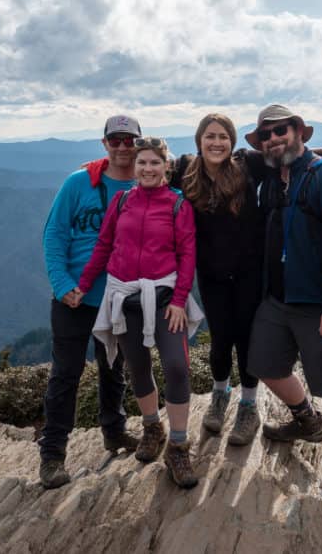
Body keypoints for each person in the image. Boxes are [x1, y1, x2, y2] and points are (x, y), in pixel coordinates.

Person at [172, 114, 322, 447]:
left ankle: (248, 404)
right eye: (210, 136)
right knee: (221, 338)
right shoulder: (184, 170)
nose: (217, 143)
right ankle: (220, 395)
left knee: (246, 339)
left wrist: (320, 151)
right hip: (211, 274)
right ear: (199, 140)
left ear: (232, 141)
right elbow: (146, 166)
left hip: (252, 272)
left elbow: (286, 156)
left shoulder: (248, 164)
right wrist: (103, 164)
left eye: (224, 136)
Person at [245, 104, 322, 506]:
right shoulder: (270, 176)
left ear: (299, 132)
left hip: (320, 304)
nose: (275, 138)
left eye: (282, 130)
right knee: (263, 365)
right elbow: (213, 159)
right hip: (277, 300)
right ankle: (306, 421)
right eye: (267, 134)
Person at [77, 136, 204, 489]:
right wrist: (84, 286)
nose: (147, 168)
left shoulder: (179, 206)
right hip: (124, 298)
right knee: (137, 368)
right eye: (142, 163)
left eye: (154, 163)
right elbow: (104, 246)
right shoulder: (121, 202)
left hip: (164, 299)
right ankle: (152, 427)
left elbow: (187, 255)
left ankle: (178, 445)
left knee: (177, 368)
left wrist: (180, 300)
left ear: (167, 167)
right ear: (134, 167)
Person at [38, 114, 144, 489]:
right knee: (65, 374)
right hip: (74, 298)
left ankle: (114, 431)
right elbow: (54, 235)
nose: (121, 147)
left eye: (128, 140)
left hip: (118, 296)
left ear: (139, 144)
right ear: (104, 144)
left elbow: (207, 163)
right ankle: (52, 455)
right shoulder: (78, 183)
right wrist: (61, 283)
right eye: (114, 140)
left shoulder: (148, 182)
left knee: (113, 368)